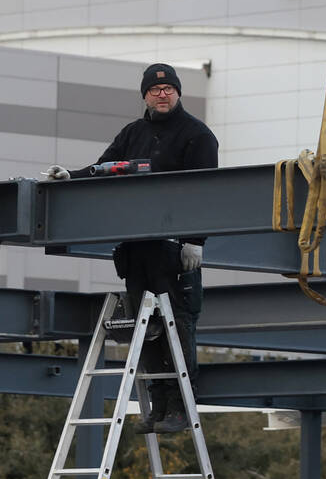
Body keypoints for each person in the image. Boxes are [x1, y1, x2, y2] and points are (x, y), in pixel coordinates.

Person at [44, 63, 217, 433]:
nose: (162, 94)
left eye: (169, 88)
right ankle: (158, 403)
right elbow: (104, 167)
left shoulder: (197, 136)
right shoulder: (134, 133)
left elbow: (207, 192)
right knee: (148, 328)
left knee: (178, 325)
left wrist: (195, 241)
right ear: (145, 96)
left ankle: (181, 409)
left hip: (173, 250)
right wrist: (70, 178)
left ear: (178, 93)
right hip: (136, 248)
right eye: (155, 90)